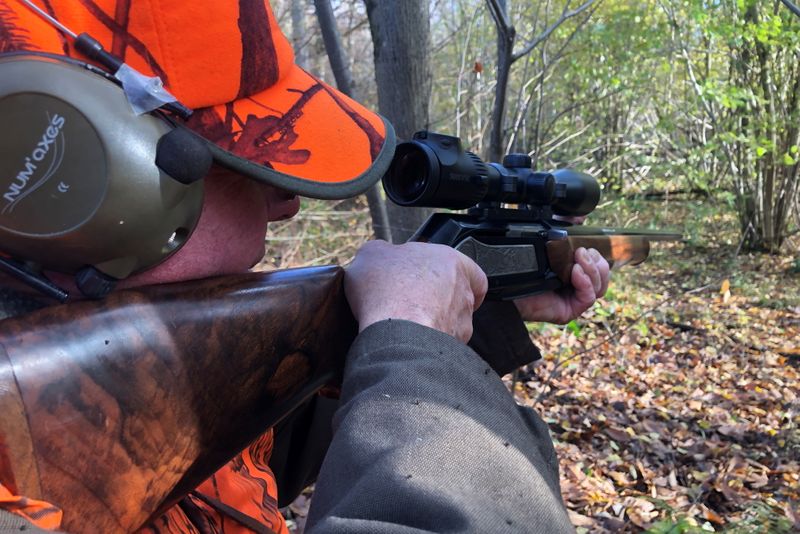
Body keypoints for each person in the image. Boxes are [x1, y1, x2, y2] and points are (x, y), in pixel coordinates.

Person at [0, 1, 609, 533]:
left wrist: (468, 316)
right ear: (91, 181)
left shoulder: (100, 393)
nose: (286, 201)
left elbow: (238, 459)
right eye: (238, 159)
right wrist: (421, 360)